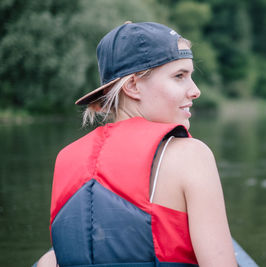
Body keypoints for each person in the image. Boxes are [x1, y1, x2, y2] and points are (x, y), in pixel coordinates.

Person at [35, 21, 237, 267]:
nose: (195, 91)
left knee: (48, 259)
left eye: (190, 76)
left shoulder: (65, 158)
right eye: (179, 76)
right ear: (132, 86)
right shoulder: (191, 156)